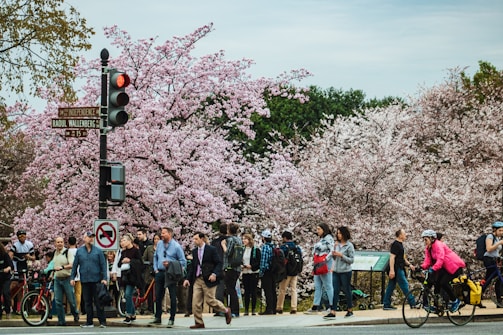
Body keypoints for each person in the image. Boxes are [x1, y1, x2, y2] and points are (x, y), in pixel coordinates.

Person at [183, 232, 231, 329]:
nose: (194, 241)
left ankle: (225, 310)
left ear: (202, 239)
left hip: (209, 278)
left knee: (210, 300)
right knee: (195, 302)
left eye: (196, 239)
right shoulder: (195, 251)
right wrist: (187, 279)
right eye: (194, 239)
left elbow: (218, 263)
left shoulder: (211, 250)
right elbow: (193, 266)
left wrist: (214, 274)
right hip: (198, 279)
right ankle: (199, 322)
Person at [420, 229, 465, 313]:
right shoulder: (428, 248)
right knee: (436, 282)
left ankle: (455, 301)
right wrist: (421, 267)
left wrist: (433, 269)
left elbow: (440, 259)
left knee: (443, 282)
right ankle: (438, 305)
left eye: (426, 239)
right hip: (445, 268)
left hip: (454, 266)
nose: (424, 241)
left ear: (432, 238)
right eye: (424, 240)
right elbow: (428, 261)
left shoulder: (438, 245)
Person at [70, 231, 108, 328]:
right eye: (89, 237)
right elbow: (75, 265)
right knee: (87, 302)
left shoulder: (98, 251)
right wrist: (72, 277)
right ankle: (89, 321)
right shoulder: (79, 251)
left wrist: (104, 278)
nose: (91, 239)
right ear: (84, 238)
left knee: (98, 301)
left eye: (92, 237)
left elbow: (103, 265)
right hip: (85, 279)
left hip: (96, 280)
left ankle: (102, 321)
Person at [152, 227, 186, 327]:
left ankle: (172, 318)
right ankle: (157, 316)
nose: (161, 235)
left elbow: (183, 262)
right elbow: (155, 257)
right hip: (160, 272)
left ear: (169, 234)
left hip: (171, 273)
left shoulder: (176, 246)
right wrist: (155, 269)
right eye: (161, 233)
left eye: (164, 233)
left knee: (172, 295)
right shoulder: (159, 244)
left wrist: (171, 264)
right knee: (158, 295)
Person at [305, 223, 334, 315]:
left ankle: (332, 305)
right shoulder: (321, 239)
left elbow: (332, 250)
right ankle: (316, 305)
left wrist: (326, 259)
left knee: (328, 285)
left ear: (324, 230)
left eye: (319, 229)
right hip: (318, 263)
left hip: (325, 264)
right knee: (318, 286)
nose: (317, 231)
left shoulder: (329, 239)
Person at [382, 228, 416, 310]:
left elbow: (402, 258)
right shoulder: (395, 244)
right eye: (404, 234)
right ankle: (413, 303)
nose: (405, 235)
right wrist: (392, 270)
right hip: (397, 268)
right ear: (400, 235)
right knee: (404, 285)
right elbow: (392, 258)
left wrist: (409, 265)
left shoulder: (400, 245)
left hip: (399, 267)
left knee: (391, 286)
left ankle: (386, 303)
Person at [327, 226, 355, 319]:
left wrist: (341, 255)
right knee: (335, 290)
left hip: (345, 271)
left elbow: (351, 260)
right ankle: (333, 311)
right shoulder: (337, 244)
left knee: (347, 290)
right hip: (336, 270)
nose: (338, 235)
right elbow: (334, 258)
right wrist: (334, 253)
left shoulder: (349, 246)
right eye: (337, 233)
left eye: (340, 233)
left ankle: (350, 309)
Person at [52, 236, 79, 326]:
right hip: (57, 279)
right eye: (58, 242)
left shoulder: (67, 252)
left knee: (71, 300)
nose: (59, 244)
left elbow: (72, 264)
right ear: (55, 244)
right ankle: (61, 321)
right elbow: (53, 265)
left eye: (61, 242)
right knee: (58, 301)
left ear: (64, 243)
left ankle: (75, 313)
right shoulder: (54, 253)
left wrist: (62, 267)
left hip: (67, 278)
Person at [118, 233, 143, 325]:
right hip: (125, 276)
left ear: (129, 241)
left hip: (133, 276)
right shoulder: (123, 252)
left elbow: (140, 262)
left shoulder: (136, 251)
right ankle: (132, 313)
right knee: (127, 295)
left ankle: (128, 314)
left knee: (128, 294)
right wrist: (122, 261)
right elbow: (119, 264)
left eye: (124, 240)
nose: (122, 242)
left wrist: (130, 261)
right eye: (121, 241)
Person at [276, 231, 301, 314]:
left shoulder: (284, 247)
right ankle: (294, 307)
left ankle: (279, 307)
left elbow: (280, 258)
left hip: (286, 272)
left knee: (282, 289)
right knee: (294, 290)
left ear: (285, 238)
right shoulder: (297, 247)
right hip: (295, 271)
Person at [221, 222, 243, 317]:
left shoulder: (230, 240)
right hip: (237, 267)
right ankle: (233, 309)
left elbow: (228, 253)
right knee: (232, 288)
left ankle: (234, 310)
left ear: (228, 230)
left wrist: (223, 245)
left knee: (230, 289)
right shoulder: (239, 240)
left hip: (230, 267)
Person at [482, 221, 503, 305]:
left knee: (493, 279)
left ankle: (499, 300)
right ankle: (499, 300)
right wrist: (499, 243)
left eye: (502, 231)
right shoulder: (490, 236)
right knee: (492, 279)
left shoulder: (498, 238)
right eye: (500, 231)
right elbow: (489, 248)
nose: (501, 232)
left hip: (494, 259)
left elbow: (496, 252)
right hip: (488, 259)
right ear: (495, 230)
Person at [241, 233, 260, 316]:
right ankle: (246, 309)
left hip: (253, 273)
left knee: (253, 291)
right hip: (245, 272)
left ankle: (253, 309)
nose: (243, 240)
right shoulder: (242, 249)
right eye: (243, 239)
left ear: (249, 240)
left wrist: (252, 266)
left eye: (245, 239)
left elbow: (259, 262)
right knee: (246, 291)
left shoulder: (256, 250)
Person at [258, 229, 277, 315]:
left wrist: (261, 272)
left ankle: (269, 309)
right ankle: (273, 308)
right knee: (273, 290)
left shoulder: (265, 247)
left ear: (264, 238)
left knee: (267, 290)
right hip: (273, 270)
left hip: (267, 271)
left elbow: (263, 261)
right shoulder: (273, 246)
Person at [143, 233, 160, 314]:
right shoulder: (149, 248)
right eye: (155, 239)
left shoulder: (163, 248)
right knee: (149, 291)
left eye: (158, 239)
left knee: (158, 291)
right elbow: (143, 258)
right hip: (149, 272)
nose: (156, 240)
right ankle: (150, 308)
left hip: (159, 271)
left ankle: (159, 308)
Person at [210, 223, 227, 306]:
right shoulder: (230, 241)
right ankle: (232, 308)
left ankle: (219, 307)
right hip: (228, 266)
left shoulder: (214, 242)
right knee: (231, 288)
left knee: (218, 288)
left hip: (216, 266)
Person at [67, 236, 83, 315]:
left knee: (69, 293)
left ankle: (70, 309)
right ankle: (77, 309)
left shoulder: (67, 251)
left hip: (69, 274)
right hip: (79, 274)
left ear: (68, 243)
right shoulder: (79, 251)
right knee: (78, 293)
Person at [0, 242, 13, 320]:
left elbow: (10, 265)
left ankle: (8, 311)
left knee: (6, 292)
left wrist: (8, 268)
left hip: (5, 278)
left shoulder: (4, 255)